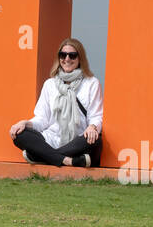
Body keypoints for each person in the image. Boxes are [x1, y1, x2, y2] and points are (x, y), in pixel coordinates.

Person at [8, 38, 104, 167]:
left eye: (72, 55)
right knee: (20, 135)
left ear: (80, 58)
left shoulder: (91, 83)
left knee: (96, 141)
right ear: (58, 58)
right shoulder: (50, 84)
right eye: (63, 55)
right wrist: (25, 123)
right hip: (51, 139)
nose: (67, 59)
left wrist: (92, 127)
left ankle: (40, 156)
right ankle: (69, 161)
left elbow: (96, 116)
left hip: (78, 140)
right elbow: (42, 119)